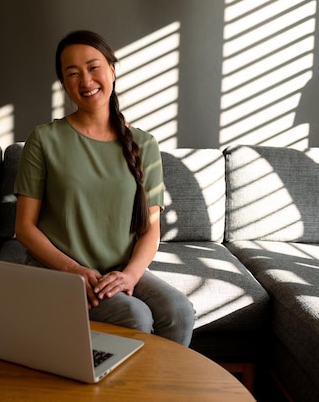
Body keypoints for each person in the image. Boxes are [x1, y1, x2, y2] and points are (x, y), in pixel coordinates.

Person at [14, 30, 195, 346]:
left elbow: (151, 230)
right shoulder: (44, 139)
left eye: (93, 66)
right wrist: (73, 269)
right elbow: (25, 228)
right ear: (65, 84)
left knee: (179, 311)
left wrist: (130, 276)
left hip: (118, 271)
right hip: (61, 271)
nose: (85, 80)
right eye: (73, 73)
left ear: (112, 69)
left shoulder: (145, 145)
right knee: (135, 317)